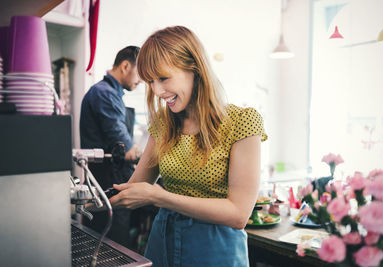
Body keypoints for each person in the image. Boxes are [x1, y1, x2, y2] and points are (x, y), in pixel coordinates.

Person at [110, 26, 268, 266]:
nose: (158, 91)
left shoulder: (242, 122)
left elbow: (238, 214)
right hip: (163, 241)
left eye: (163, 78)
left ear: (194, 68)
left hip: (216, 250)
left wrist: (160, 197)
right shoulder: (164, 123)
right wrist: (73, 204)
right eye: (150, 82)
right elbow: (133, 189)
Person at [79, 45, 142, 247]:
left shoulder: (109, 93)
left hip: (108, 178)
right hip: (109, 182)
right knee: (113, 245)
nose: (141, 80)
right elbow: (126, 149)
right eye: (139, 73)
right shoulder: (105, 94)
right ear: (125, 66)